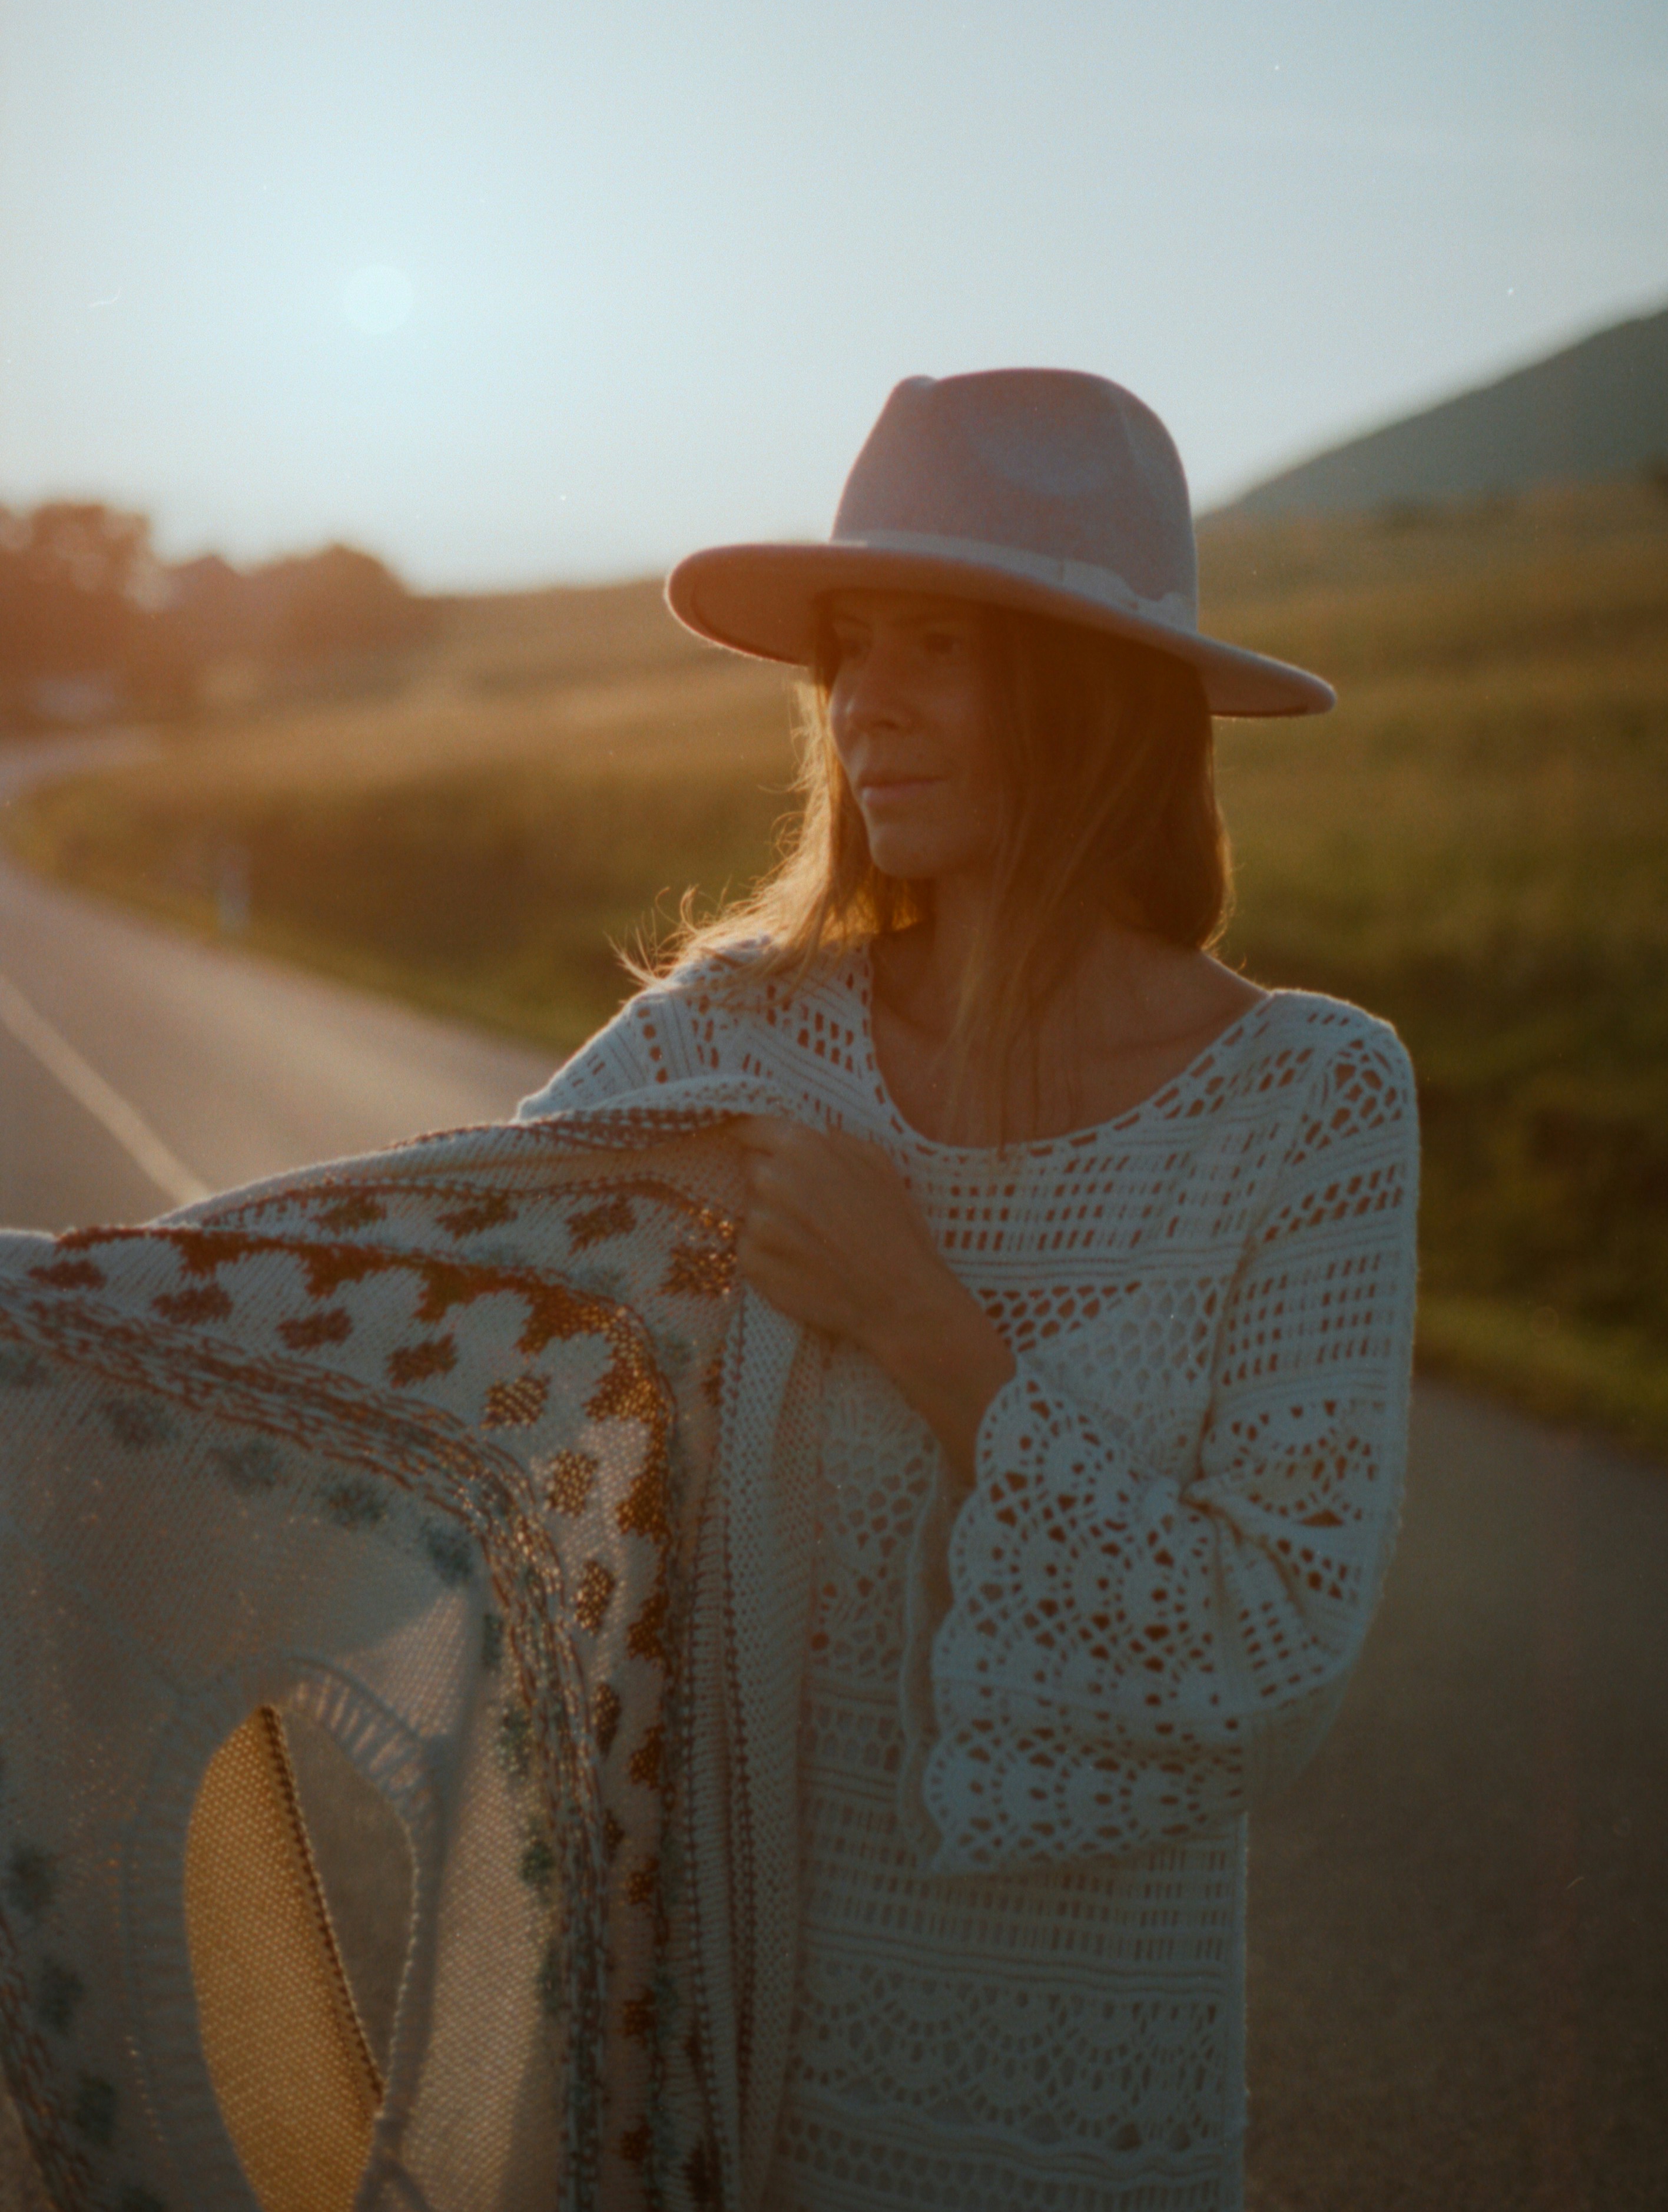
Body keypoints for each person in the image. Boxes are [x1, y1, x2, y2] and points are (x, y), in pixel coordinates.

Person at [515, 367, 1421, 2212]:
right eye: (850, 646)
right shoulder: (728, 1034)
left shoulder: (1306, 1102)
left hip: (1070, 2121)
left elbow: (1262, 1657)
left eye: (936, 642)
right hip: (703, 2078)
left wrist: (920, 1320)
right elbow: (397, 1298)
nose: (863, 700)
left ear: (1091, 691)